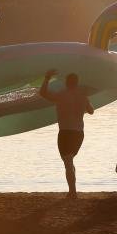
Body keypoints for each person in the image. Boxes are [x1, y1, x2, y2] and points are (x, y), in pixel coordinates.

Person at [40, 69, 94, 198]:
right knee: (69, 161)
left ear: (66, 83)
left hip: (66, 132)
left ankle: (73, 192)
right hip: (79, 133)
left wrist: (47, 78)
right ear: (76, 83)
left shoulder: (61, 95)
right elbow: (91, 111)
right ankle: (72, 191)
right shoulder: (83, 96)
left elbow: (43, 93)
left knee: (68, 162)